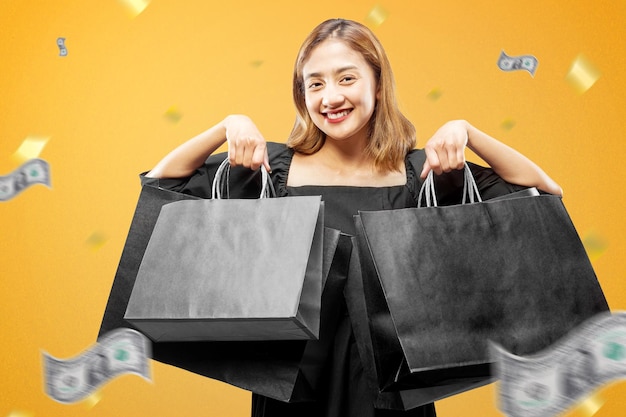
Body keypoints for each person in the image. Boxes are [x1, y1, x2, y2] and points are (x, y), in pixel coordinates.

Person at [143, 18, 562, 417]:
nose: (331, 97)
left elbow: (543, 191)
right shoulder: (273, 170)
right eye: (316, 84)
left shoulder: (421, 173)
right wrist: (225, 125)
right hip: (292, 389)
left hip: (391, 390)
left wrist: (468, 131)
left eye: (347, 78)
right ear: (302, 95)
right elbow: (163, 183)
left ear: (378, 85)